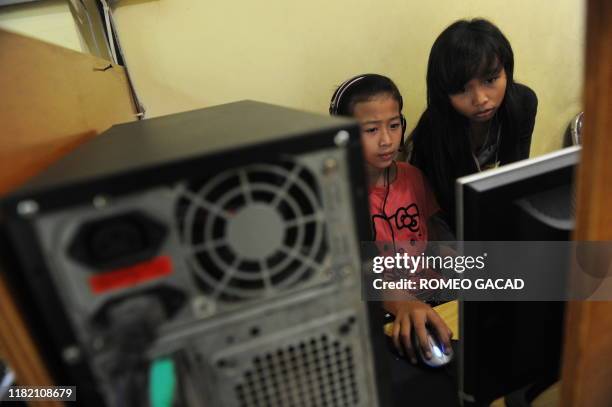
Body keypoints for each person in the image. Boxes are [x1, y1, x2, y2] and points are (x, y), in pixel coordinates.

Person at [329, 73, 452, 364]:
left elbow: (433, 237)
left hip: (431, 295)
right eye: (371, 130)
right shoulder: (340, 195)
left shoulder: (412, 176)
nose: (386, 140)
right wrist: (404, 303)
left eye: (394, 126)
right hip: (384, 307)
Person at [410, 18, 538, 231]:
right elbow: (438, 209)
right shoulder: (434, 128)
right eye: (462, 89)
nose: (480, 100)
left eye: (490, 80)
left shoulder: (523, 103)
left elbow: (515, 175)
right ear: (444, 92)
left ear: (506, 70)